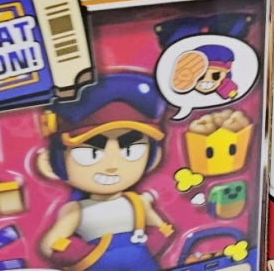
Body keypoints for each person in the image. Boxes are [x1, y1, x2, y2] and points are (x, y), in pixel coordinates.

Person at [36, 72, 173, 270]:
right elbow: (51, 244)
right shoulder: (77, 210)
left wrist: (146, 246)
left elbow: (161, 229)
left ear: (154, 156)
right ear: (49, 163)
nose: (112, 165)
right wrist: (90, 254)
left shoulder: (138, 202)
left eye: (130, 151)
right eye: (91, 153)